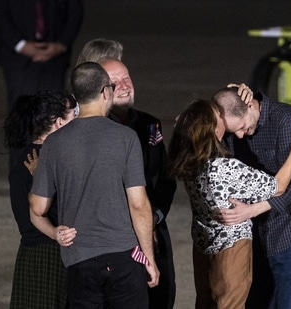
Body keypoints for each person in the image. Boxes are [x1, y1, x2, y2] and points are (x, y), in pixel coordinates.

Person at [29, 62, 159, 308]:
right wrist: (149, 258)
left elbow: (37, 207)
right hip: (124, 256)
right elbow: (139, 205)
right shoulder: (125, 137)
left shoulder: (54, 143)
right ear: (105, 92)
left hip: (79, 259)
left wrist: (55, 233)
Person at [167, 98, 291, 308]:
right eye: (219, 117)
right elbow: (278, 186)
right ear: (215, 131)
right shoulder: (224, 169)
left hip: (203, 248)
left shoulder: (190, 161)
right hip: (231, 251)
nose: (223, 118)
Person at [212, 86, 291, 309]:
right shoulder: (236, 128)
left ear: (251, 105)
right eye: (235, 132)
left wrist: (249, 211)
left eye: (242, 127)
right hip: (260, 236)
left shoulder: (286, 121)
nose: (241, 136)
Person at [98, 57, 178, 309]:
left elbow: (166, 179)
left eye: (126, 78)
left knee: (161, 297)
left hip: (155, 231)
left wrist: (154, 217)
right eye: (114, 82)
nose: (124, 85)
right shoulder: (94, 131)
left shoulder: (149, 123)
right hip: (116, 238)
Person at [3, 91, 78, 308]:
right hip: (50, 254)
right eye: (74, 117)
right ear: (59, 122)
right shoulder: (47, 160)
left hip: (34, 254)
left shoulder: (28, 156)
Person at [0, 0, 84, 112]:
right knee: (21, 110)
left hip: (56, 58)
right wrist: (21, 45)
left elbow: (75, 12)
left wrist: (61, 45)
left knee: (53, 109)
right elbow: (0, 13)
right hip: (17, 58)